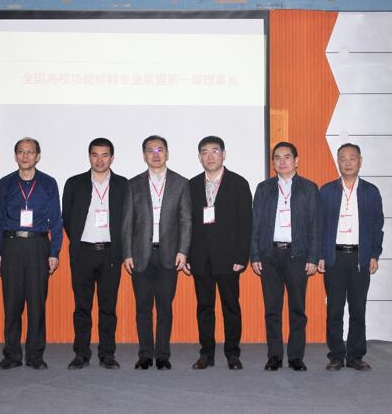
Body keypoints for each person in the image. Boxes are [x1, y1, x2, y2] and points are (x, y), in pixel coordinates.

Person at [0, 137, 63, 370]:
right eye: (21, 152)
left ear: (38, 156)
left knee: (36, 305)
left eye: (30, 152)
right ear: (15, 156)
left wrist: (54, 252)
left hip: (38, 246)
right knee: (12, 305)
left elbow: (56, 220)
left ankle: (35, 356)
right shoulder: (6, 183)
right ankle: (11, 355)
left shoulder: (48, 183)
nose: (25, 156)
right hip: (11, 246)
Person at [122, 135, 191, 370]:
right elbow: (127, 222)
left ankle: (162, 355)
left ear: (167, 153)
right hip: (141, 255)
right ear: (144, 156)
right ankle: (144, 354)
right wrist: (127, 253)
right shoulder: (133, 184)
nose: (155, 154)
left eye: (160, 149)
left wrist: (183, 251)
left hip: (169, 255)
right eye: (150, 150)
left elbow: (186, 220)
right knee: (142, 308)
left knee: (164, 308)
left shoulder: (181, 183)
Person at [250, 141, 321, 371]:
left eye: (287, 157)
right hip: (269, 255)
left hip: (297, 255)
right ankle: (274, 356)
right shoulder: (264, 188)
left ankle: (296, 356)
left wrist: (313, 257)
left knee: (297, 309)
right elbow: (256, 224)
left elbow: (316, 225)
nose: (282, 161)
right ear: (273, 163)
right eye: (277, 158)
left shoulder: (309, 188)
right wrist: (255, 255)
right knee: (272, 309)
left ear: (296, 161)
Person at [62, 138, 128, 370]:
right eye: (95, 155)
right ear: (89, 156)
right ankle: (81, 354)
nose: (100, 160)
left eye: (105, 155)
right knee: (82, 307)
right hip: (83, 252)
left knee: (108, 307)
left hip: (111, 253)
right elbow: (67, 218)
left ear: (112, 158)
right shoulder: (75, 183)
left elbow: (128, 219)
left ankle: (107, 354)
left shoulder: (122, 184)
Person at [187, 136, 252, 370]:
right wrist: (187, 254)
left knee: (230, 307)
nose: (210, 156)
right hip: (200, 257)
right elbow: (186, 223)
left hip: (229, 258)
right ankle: (206, 353)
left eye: (215, 151)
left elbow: (246, 223)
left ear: (224, 154)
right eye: (204, 152)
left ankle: (232, 353)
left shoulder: (238, 183)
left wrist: (241, 256)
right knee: (204, 307)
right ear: (199, 157)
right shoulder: (192, 185)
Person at [318, 143, 384, 371]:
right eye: (343, 159)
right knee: (334, 309)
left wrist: (374, 254)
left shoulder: (371, 192)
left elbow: (377, 225)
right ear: (338, 162)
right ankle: (336, 355)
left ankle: (355, 355)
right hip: (334, 257)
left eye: (352, 158)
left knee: (358, 308)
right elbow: (319, 226)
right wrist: (320, 255)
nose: (347, 163)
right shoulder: (327, 191)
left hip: (360, 258)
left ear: (360, 161)